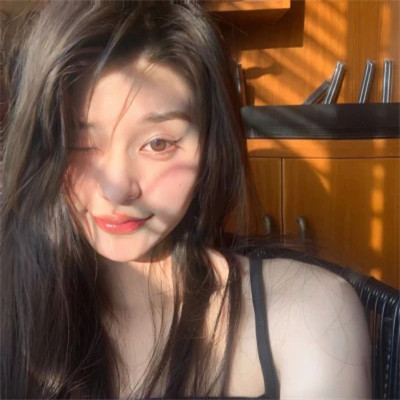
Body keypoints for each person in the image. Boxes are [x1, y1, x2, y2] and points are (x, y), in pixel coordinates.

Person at [1, 1, 371, 398]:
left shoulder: (307, 314)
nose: (116, 190)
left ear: (210, 144)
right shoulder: (15, 304)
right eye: (79, 143)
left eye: (158, 143)